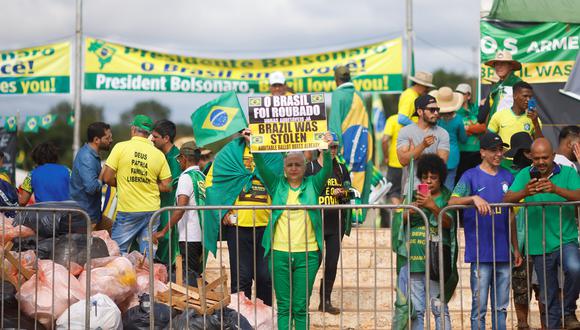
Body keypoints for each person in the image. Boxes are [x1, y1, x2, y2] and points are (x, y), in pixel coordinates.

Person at [253, 131, 334, 330]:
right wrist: (254, 144)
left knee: (300, 306)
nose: (294, 168)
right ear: (284, 168)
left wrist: (325, 148)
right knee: (284, 306)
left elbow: (327, 170)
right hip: (279, 253)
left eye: (298, 164)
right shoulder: (276, 184)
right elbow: (261, 166)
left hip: (308, 255)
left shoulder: (314, 185)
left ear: (305, 166)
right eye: (290, 165)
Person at [504, 138, 580, 329]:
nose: (540, 162)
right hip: (538, 245)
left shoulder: (568, 171)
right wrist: (524, 192)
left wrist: (556, 189)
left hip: (566, 239)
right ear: (531, 157)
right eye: (536, 158)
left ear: (553, 156)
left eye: (544, 157)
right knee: (548, 296)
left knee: (575, 268)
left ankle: (569, 309)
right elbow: (507, 198)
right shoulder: (525, 174)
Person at [449, 132, 521, 330]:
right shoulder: (470, 176)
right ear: (482, 152)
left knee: (501, 307)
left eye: (500, 150)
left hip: (504, 253)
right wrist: (472, 198)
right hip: (480, 254)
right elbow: (452, 201)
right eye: (493, 150)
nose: (498, 154)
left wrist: (515, 248)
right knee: (479, 307)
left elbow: (512, 215)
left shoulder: (508, 176)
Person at [206, 129, 281, 306]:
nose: (249, 132)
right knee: (241, 279)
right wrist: (221, 210)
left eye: (253, 129)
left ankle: (265, 321)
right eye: (246, 130)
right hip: (238, 227)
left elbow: (282, 182)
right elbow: (211, 183)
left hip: (266, 226)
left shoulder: (273, 153)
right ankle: (240, 321)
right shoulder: (229, 153)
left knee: (265, 277)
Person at [398, 153, 457, 330]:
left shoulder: (447, 197)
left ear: (441, 179)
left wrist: (431, 206)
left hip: (436, 261)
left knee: (439, 308)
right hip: (415, 260)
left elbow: (449, 223)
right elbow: (399, 223)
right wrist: (410, 211)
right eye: (425, 177)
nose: (429, 181)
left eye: (433, 177)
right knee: (416, 310)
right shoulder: (413, 196)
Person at [102, 114, 172, 256]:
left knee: (117, 253)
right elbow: (167, 185)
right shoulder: (158, 154)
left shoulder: (121, 147)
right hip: (152, 211)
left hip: (129, 210)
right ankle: (149, 278)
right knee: (147, 256)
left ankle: (120, 278)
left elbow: (107, 178)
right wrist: (148, 184)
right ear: (149, 134)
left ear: (133, 129)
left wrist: (124, 182)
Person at [305, 132, 351, 315]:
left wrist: (343, 193)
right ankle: (303, 300)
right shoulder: (309, 168)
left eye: (335, 147)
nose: (333, 150)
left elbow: (351, 190)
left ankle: (325, 300)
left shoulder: (340, 167)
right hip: (315, 223)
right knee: (312, 263)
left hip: (335, 222)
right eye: (330, 147)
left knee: (332, 263)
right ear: (320, 147)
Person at [153, 142, 206, 277]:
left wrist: (163, 231)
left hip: (189, 237)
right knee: (195, 275)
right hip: (201, 235)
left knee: (189, 279)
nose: (179, 163)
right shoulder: (202, 177)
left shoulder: (186, 177)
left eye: (179, 159)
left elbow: (180, 209)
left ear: (184, 158)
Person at [397, 94, 450, 193]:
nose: (436, 113)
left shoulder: (443, 133)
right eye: (432, 110)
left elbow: (441, 163)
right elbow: (403, 160)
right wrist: (423, 146)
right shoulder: (405, 131)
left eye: (437, 109)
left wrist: (414, 153)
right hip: (412, 189)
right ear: (420, 112)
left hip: (434, 191)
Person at [488, 81, 543, 173]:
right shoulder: (499, 115)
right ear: (514, 96)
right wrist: (499, 152)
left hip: (525, 164)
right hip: (503, 162)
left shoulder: (534, 119)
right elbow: (489, 140)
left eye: (530, 97)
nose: (528, 100)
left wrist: (535, 122)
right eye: (525, 96)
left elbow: (540, 143)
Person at [70, 122, 113, 229]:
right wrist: (103, 173)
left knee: (116, 233)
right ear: (96, 140)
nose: (111, 140)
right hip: (85, 218)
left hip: (93, 215)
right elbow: (91, 188)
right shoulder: (87, 158)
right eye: (107, 138)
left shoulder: (92, 155)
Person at [151, 119, 183, 266]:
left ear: (166, 138)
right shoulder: (160, 155)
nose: (152, 139)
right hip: (161, 208)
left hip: (170, 210)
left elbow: (168, 187)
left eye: (155, 136)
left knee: (166, 248)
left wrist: (144, 184)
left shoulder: (175, 158)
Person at [431, 86, 467, 190]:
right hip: (453, 155)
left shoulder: (435, 119)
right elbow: (463, 139)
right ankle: (448, 205)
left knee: (435, 183)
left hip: (437, 153)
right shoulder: (459, 120)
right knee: (449, 184)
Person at [478, 50, 523, 125]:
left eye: (503, 64)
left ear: (511, 66)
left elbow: (526, 110)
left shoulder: (519, 84)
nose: (499, 67)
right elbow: (481, 118)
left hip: (512, 130)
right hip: (494, 130)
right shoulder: (495, 87)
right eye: (496, 64)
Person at [455, 83, 485, 185]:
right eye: (457, 93)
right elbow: (459, 131)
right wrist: (475, 128)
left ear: (468, 96)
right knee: (461, 180)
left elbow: (484, 128)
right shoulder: (455, 110)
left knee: (476, 180)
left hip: (476, 151)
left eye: (461, 93)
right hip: (461, 151)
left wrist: (468, 128)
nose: (458, 95)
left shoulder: (476, 109)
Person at [382, 114, 403, 204]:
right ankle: (405, 216)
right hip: (412, 163)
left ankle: (399, 215)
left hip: (395, 163)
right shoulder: (416, 119)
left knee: (393, 192)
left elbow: (384, 140)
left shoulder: (393, 119)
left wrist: (386, 157)